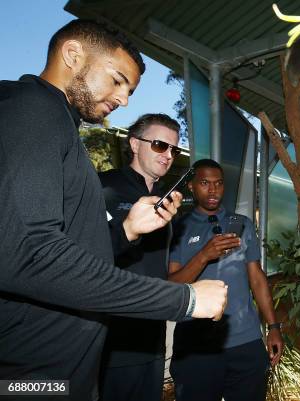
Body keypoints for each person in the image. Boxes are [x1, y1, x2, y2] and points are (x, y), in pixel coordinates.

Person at [0, 19, 226, 401]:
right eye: (118, 80)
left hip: (60, 373)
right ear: (73, 54)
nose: (124, 100)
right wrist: (184, 300)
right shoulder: (33, 109)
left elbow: (64, 246)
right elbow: (30, 253)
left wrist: (126, 232)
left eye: (131, 90)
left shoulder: (58, 124)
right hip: (30, 378)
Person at [168, 159, 284, 401]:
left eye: (219, 183)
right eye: (205, 183)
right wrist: (204, 255)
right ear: (191, 186)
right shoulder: (178, 229)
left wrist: (273, 328)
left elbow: (257, 279)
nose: (213, 190)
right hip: (196, 348)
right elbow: (171, 287)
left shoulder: (242, 224)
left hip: (246, 343)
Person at [98, 113, 183, 401]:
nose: (169, 155)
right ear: (134, 144)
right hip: (111, 337)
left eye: (175, 149)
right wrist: (128, 229)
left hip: (153, 335)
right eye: (160, 145)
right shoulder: (102, 187)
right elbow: (82, 255)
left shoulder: (168, 199)